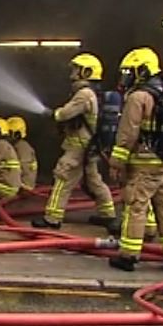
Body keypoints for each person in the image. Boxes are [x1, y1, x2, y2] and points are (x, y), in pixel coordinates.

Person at [107, 47, 163, 272]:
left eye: (129, 71)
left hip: (144, 163)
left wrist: (116, 162)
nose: (126, 77)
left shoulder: (138, 97)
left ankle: (129, 256)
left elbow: (128, 133)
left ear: (141, 71)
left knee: (136, 206)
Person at [32, 53, 117, 229]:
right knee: (94, 181)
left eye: (76, 69)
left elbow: (65, 114)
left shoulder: (84, 94)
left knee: (63, 178)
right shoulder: (91, 93)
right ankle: (108, 214)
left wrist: (51, 114)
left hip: (79, 148)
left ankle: (52, 218)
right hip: (88, 147)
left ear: (86, 72)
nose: (72, 72)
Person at [6, 116, 37, 191]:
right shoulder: (16, 146)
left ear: (17, 134)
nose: (6, 136)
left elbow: (23, 168)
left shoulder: (22, 147)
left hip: (23, 186)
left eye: (9, 133)